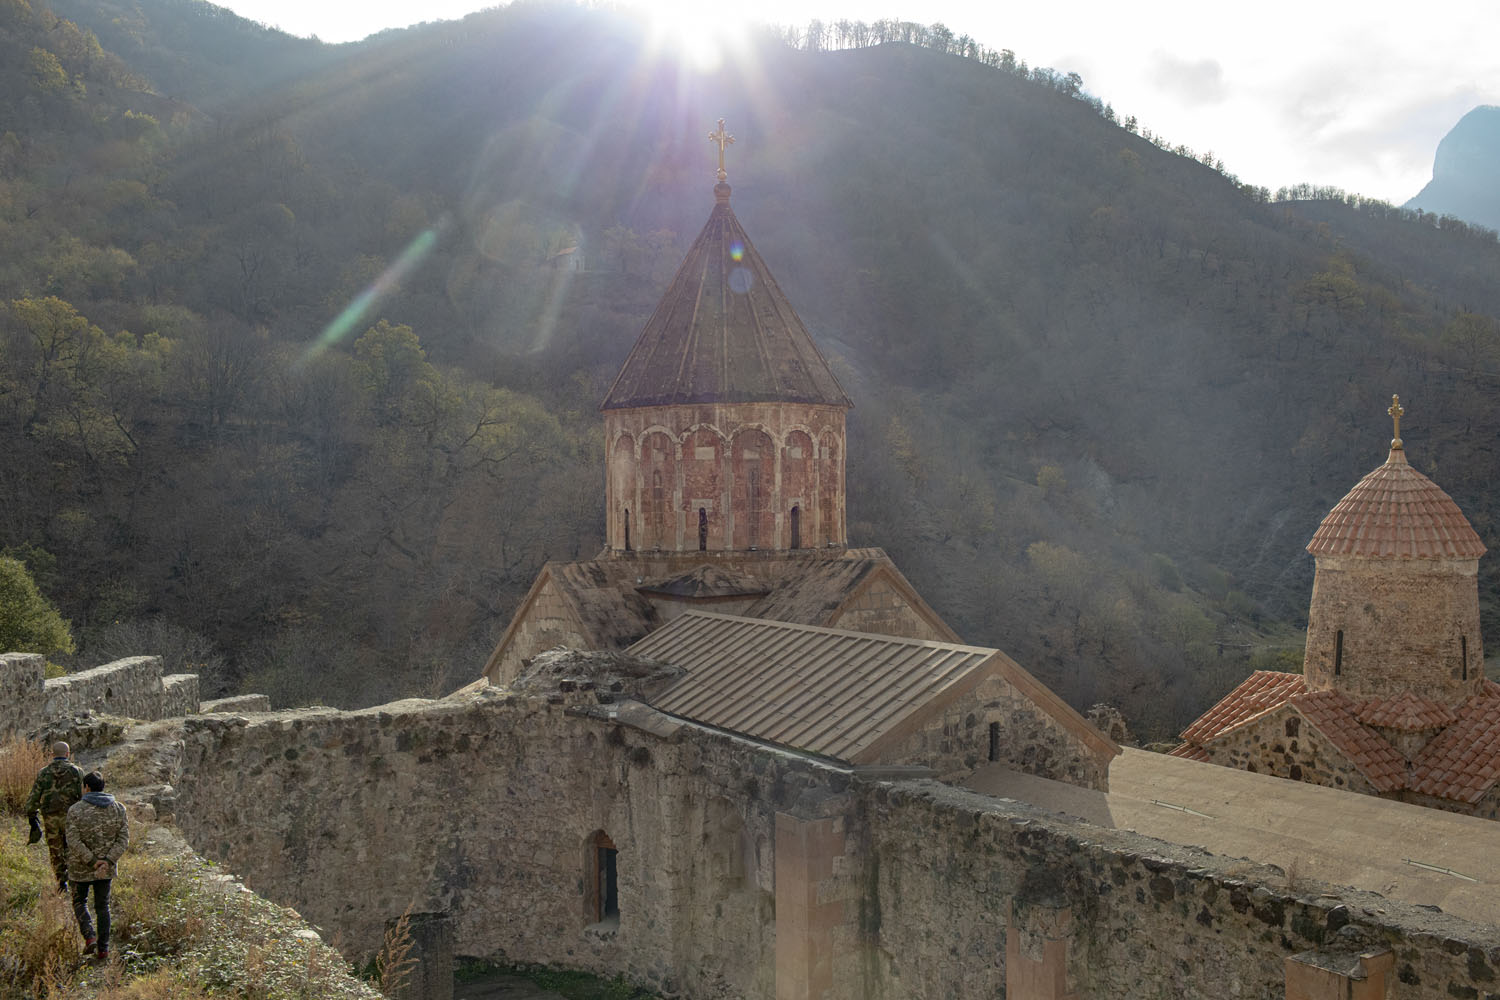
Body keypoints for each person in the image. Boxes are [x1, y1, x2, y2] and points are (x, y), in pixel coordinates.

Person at [65, 771, 128, 962]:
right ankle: (104, 950)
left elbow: (72, 840)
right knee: (103, 907)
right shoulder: (118, 809)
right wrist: (107, 861)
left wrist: (92, 861)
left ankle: (89, 936)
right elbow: (123, 839)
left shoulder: (75, 810)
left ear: (87, 788)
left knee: (79, 902)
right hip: (105, 870)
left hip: (80, 868)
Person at [23, 741, 84, 894]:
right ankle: (75, 881)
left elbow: (34, 796)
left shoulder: (43, 772)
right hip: (70, 817)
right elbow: (83, 796)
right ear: (67, 754)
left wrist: (32, 815)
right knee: (72, 847)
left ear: (52, 755)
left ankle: (61, 883)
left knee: (55, 850)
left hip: (50, 818)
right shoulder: (76, 771)